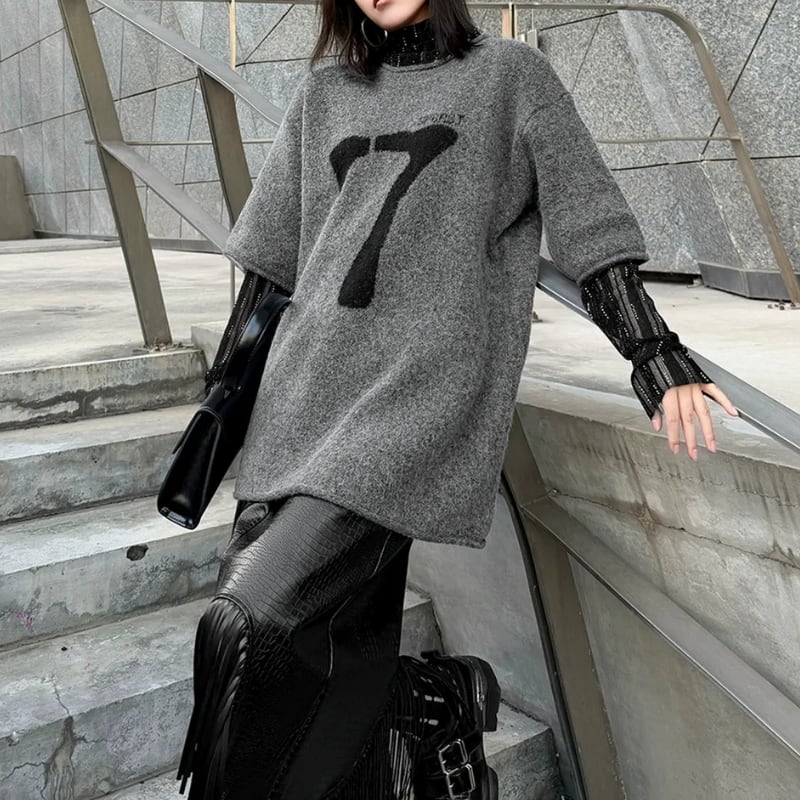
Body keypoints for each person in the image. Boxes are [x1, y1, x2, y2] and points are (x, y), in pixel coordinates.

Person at [176, 0, 738, 798]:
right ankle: (425, 711)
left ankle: (420, 700)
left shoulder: (510, 77)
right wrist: (219, 406)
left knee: (245, 626)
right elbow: (271, 267)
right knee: (309, 665)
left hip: (414, 398)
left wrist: (654, 352)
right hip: (297, 397)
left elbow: (588, 216)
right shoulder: (323, 93)